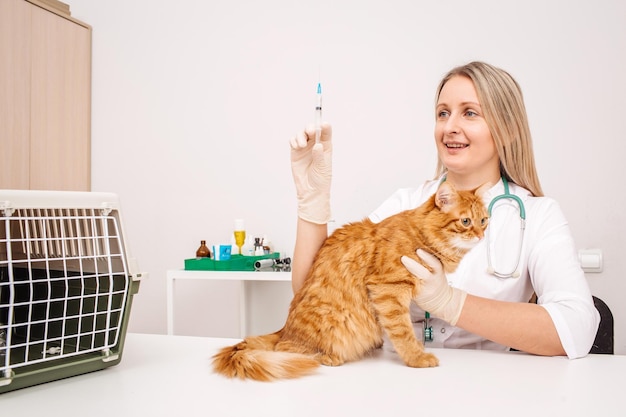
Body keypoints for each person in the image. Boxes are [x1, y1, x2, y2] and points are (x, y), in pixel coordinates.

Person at [288, 61, 599, 359]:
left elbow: (576, 329)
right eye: (443, 113)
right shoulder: (405, 207)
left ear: (508, 129)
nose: (450, 127)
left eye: (470, 113)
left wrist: (450, 303)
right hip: (394, 378)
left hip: (492, 385)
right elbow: (314, 298)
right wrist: (313, 202)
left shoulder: (538, 216)